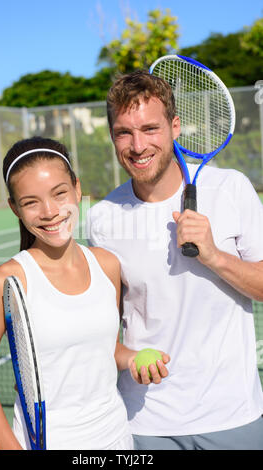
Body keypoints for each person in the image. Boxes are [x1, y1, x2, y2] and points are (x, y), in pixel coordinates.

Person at [86, 70, 263, 450]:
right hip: (146, 422)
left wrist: (215, 257)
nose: (137, 145)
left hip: (232, 415)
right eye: (123, 132)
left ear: (175, 126)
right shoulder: (101, 217)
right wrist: (128, 357)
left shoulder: (231, 188)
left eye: (150, 128)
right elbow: (105, 325)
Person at [0, 135, 139, 450]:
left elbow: (107, 349)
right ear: (14, 208)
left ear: (77, 189)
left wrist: (134, 358)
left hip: (117, 438)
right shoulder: (2, 283)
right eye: (31, 202)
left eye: (60, 194)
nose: (50, 211)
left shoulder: (107, 265)